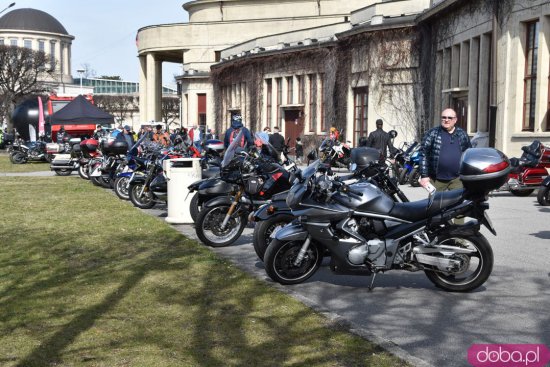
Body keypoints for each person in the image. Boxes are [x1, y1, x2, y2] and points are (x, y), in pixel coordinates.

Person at [419, 108, 471, 192]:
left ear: (455, 120)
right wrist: (424, 176)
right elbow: (423, 154)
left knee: (457, 204)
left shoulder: (462, 134)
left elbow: (469, 154)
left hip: (457, 179)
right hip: (437, 179)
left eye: (449, 118)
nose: (446, 120)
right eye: (444, 117)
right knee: (436, 204)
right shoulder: (432, 133)